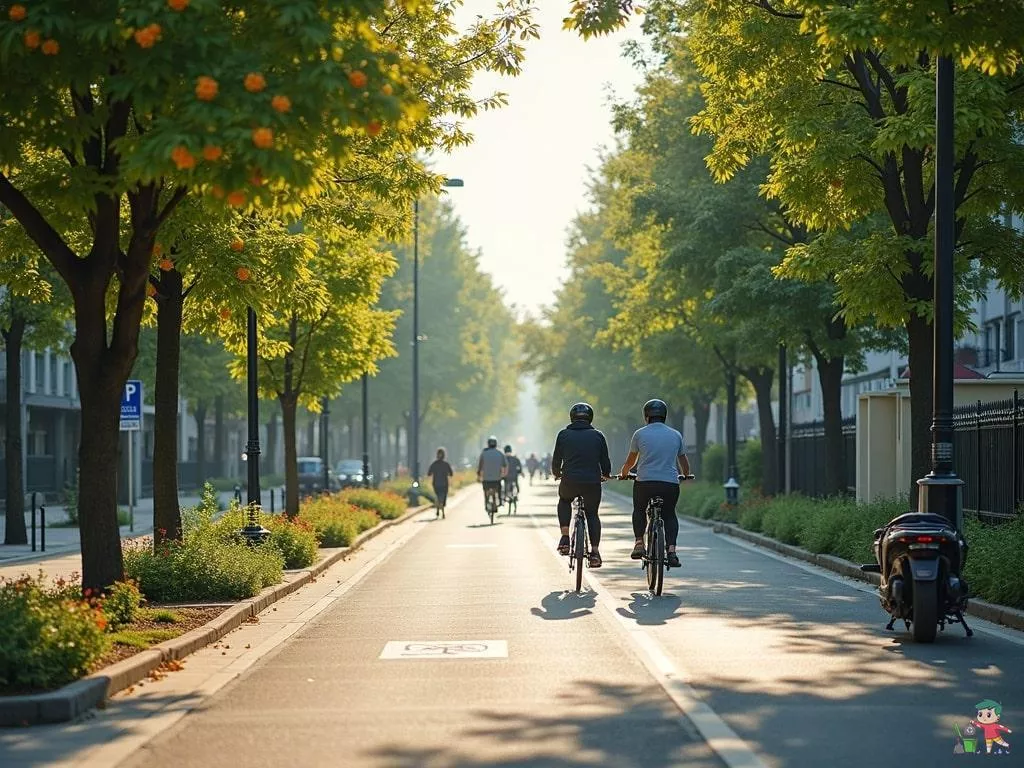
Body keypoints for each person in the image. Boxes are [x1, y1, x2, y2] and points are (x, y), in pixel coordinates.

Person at [618, 398, 691, 569]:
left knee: (639, 509)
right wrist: (686, 475)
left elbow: (631, 461)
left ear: (646, 416)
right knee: (670, 514)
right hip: (669, 484)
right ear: (664, 416)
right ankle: (671, 551)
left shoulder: (639, 434)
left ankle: (638, 543)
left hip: (645, 482)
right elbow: (684, 463)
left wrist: (624, 474)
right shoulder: (675, 435)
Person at [552, 402, 611, 568]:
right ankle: (595, 552)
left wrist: (557, 473)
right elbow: (605, 461)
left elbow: (557, 459)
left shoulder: (563, 435)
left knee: (564, 500)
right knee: (592, 514)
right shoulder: (598, 436)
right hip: (592, 482)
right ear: (590, 418)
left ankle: (564, 537)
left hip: (569, 480)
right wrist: (605, 474)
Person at [477, 436, 507, 512]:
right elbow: (505, 465)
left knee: (486, 491)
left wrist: (479, 475)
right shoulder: (500, 453)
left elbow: (480, 466)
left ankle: (486, 503)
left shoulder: (484, 453)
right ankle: (499, 501)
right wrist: (503, 474)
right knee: (498, 489)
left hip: (486, 478)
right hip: (497, 478)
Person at [427, 447, 454, 518]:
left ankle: (438, 510)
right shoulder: (446, 464)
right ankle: (442, 511)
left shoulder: (434, 464)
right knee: (442, 498)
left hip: (436, 483)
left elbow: (429, 473)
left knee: (439, 497)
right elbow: (451, 474)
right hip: (444, 484)